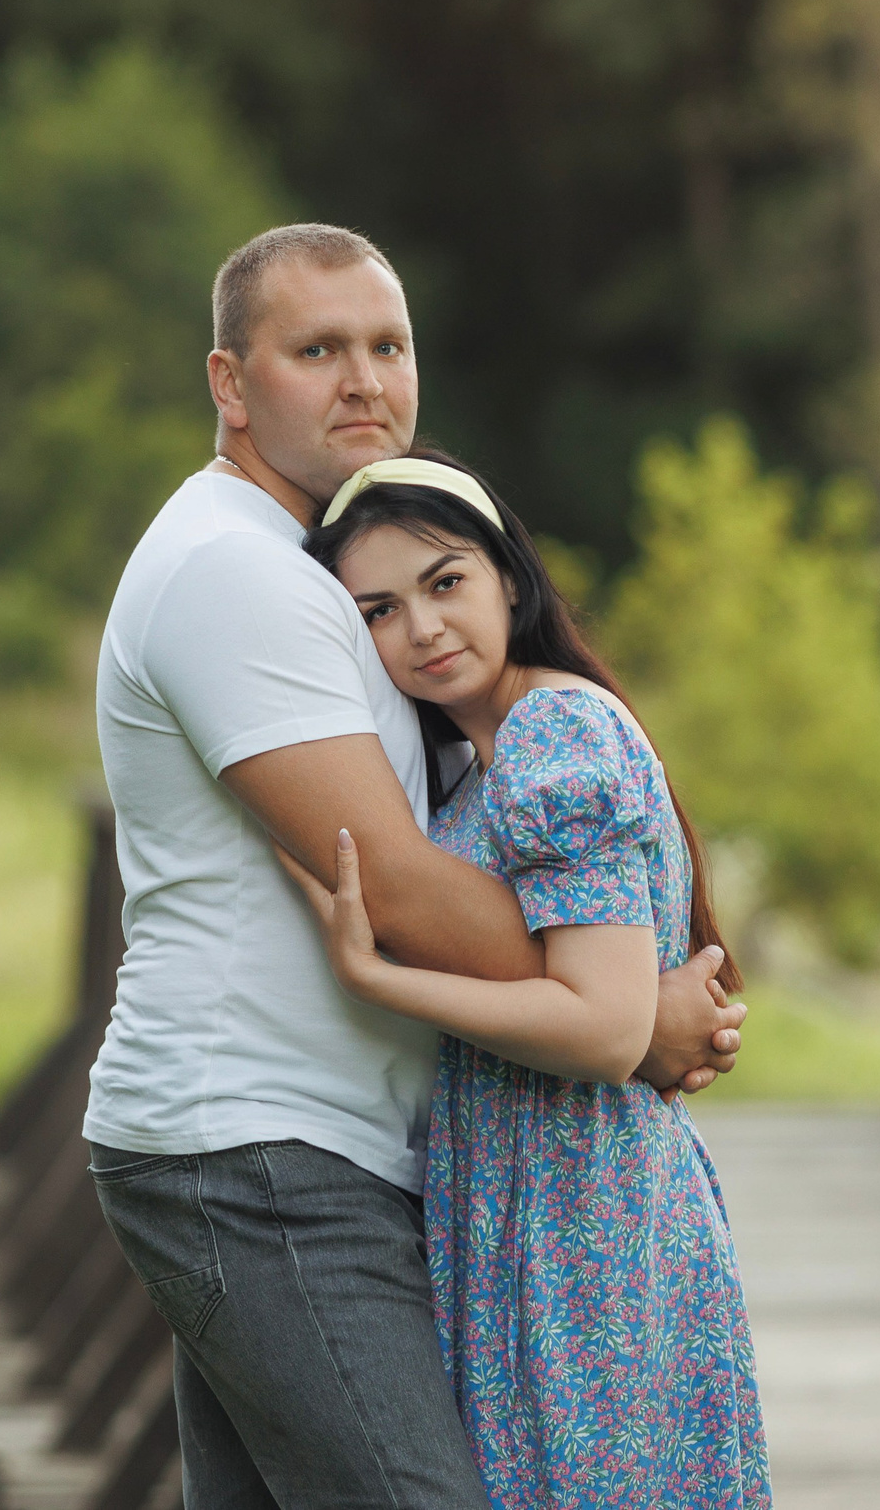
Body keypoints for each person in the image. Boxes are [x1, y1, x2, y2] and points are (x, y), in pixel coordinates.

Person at [86, 223, 748, 1510]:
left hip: (303, 1149)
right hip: (259, 1149)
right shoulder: (234, 573)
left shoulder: (322, 570)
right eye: (315, 350)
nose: (363, 382)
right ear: (230, 384)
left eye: (386, 346)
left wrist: (609, 997)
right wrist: (628, 1007)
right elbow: (380, 878)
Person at [281, 450, 771, 1510]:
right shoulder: (479, 758)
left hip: (584, 1225)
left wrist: (379, 977)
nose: (422, 629)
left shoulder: (556, 733)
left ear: (510, 578)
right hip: (532, 1212)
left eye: (445, 582)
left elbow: (600, 1030)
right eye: (378, 610)